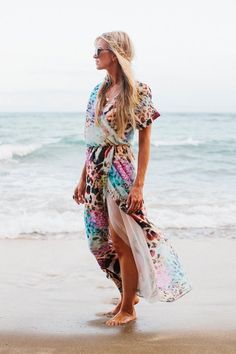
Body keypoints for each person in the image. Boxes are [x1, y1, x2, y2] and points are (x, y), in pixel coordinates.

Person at [73, 31, 192, 326]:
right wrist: (82, 178)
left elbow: (144, 142)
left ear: (114, 53)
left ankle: (128, 307)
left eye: (98, 50)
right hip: (94, 170)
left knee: (122, 239)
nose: (94, 55)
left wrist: (139, 185)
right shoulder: (96, 92)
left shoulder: (138, 91)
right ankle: (128, 294)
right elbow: (92, 140)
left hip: (120, 169)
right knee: (99, 240)